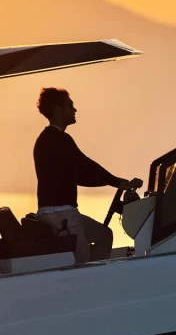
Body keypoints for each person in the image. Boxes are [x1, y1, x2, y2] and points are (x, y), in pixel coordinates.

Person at [33, 87, 142, 264]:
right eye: (70, 105)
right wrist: (118, 183)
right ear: (58, 109)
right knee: (81, 264)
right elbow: (86, 164)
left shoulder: (47, 139)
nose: (74, 110)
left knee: (104, 235)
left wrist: (113, 183)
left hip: (58, 214)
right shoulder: (59, 139)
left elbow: (78, 175)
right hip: (62, 215)